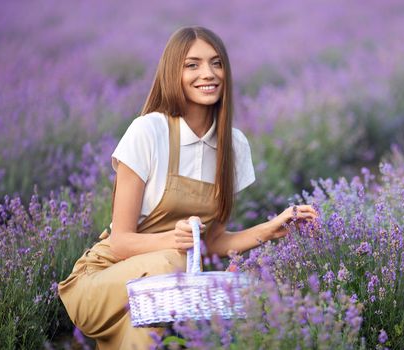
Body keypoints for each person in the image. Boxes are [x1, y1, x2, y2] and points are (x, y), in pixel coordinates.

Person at [58, 26, 317, 349]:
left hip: (163, 291)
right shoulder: (148, 132)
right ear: (172, 73)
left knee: (152, 331)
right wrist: (175, 241)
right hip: (103, 281)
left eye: (216, 63)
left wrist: (272, 227)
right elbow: (121, 242)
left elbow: (213, 242)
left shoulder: (233, 145)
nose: (208, 74)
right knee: (172, 266)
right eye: (192, 65)